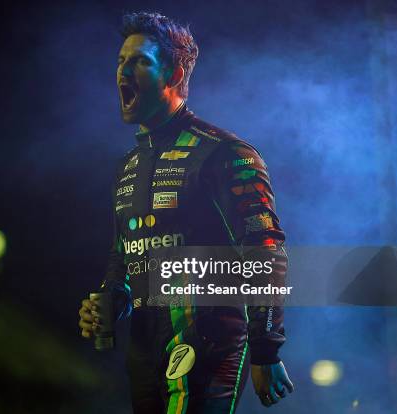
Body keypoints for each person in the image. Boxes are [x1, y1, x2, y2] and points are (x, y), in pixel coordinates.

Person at [79, 12, 294, 414]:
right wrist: (109, 299)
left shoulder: (224, 152)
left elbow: (264, 251)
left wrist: (266, 349)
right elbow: (123, 256)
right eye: (120, 61)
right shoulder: (127, 166)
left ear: (175, 73)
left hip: (208, 344)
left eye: (139, 61)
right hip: (143, 350)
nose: (122, 71)